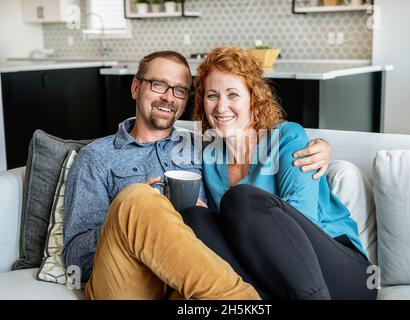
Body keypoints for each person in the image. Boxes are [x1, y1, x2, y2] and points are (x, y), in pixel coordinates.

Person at [62, 50, 332, 300]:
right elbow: (76, 259)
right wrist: (137, 221)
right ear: (136, 88)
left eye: (179, 90)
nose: (169, 97)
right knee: (139, 199)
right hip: (130, 281)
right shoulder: (97, 156)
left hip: (188, 285)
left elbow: (251, 142)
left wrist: (323, 146)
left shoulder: (204, 147)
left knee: (194, 218)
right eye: (158, 84)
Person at [183, 46, 377, 300]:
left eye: (233, 95)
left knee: (240, 199)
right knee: (194, 216)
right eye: (212, 96)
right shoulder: (210, 158)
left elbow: (302, 218)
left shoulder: (287, 137)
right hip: (273, 278)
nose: (221, 107)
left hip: (341, 272)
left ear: (254, 99)